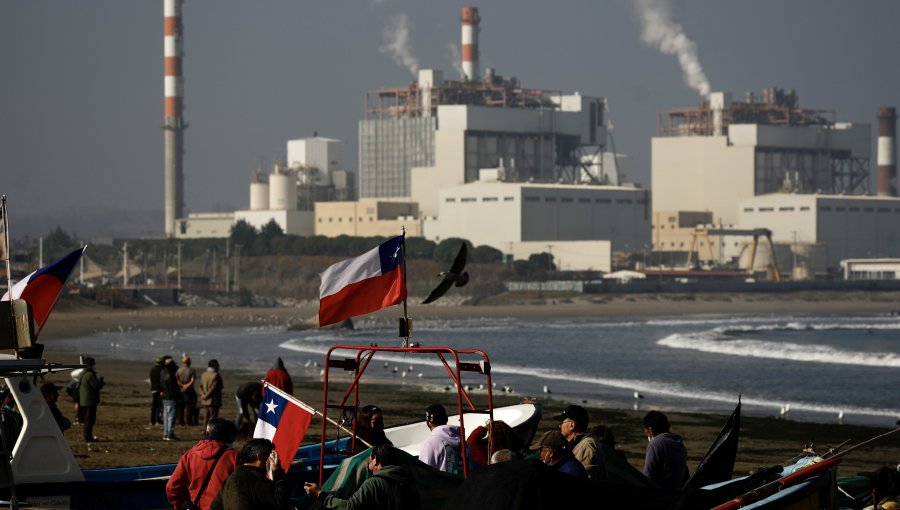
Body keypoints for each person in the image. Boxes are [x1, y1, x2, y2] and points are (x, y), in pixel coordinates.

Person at [304, 444, 421, 509]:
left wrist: (320, 494)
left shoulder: (373, 483)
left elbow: (350, 507)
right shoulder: (407, 481)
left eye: (370, 458)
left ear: (376, 460)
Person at [166, 418, 240, 510]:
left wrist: (182, 505)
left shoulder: (190, 455)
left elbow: (171, 487)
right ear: (229, 438)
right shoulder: (234, 456)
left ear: (207, 433)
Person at [209, 438, 291, 510]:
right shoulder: (255, 479)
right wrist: (278, 471)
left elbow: (215, 506)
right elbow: (282, 501)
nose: (271, 460)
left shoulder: (231, 478)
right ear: (259, 457)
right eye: (269, 457)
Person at [554, 404, 606, 480]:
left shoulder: (586, 446)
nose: (560, 427)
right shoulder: (579, 443)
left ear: (572, 425)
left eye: (562, 423)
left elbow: (584, 482)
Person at [642, 410, 689, 491]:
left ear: (650, 430)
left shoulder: (656, 443)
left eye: (646, 432)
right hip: (677, 493)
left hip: (662, 494)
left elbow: (648, 475)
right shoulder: (680, 444)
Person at [419, 404, 464, 475]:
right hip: (464, 485)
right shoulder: (465, 443)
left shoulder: (431, 443)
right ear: (446, 419)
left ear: (428, 423)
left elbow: (423, 474)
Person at [78, 356, 104, 444]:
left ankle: (88, 436)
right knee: (89, 420)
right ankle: (88, 437)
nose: (94, 366)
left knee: (87, 419)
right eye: (93, 364)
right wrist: (100, 382)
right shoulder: (90, 374)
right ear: (90, 365)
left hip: (85, 400)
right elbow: (95, 386)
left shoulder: (83, 373)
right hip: (89, 400)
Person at [199, 359, 223, 430]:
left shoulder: (203, 374)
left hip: (205, 400)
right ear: (215, 366)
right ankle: (210, 431)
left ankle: (204, 430)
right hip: (213, 400)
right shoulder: (216, 375)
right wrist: (206, 396)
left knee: (206, 416)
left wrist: (203, 395)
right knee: (213, 418)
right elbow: (214, 388)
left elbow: (200, 386)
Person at [177, 354, 199, 427]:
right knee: (189, 406)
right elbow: (192, 380)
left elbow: (177, 380)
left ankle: (180, 422)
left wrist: (182, 385)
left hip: (180, 389)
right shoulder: (191, 370)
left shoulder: (178, 370)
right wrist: (186, 386)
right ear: (189, 362)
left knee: (180, 406)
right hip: (189, 390)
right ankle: (188, 422)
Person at [149, 356, 166, 426]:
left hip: (153, 389)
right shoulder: (162, 370)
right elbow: (162, 381)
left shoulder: (152, 369)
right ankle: (157, 420)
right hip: (160, 389)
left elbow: (150, 379)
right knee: (159, 405)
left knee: (154, 405)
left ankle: (152, 421)